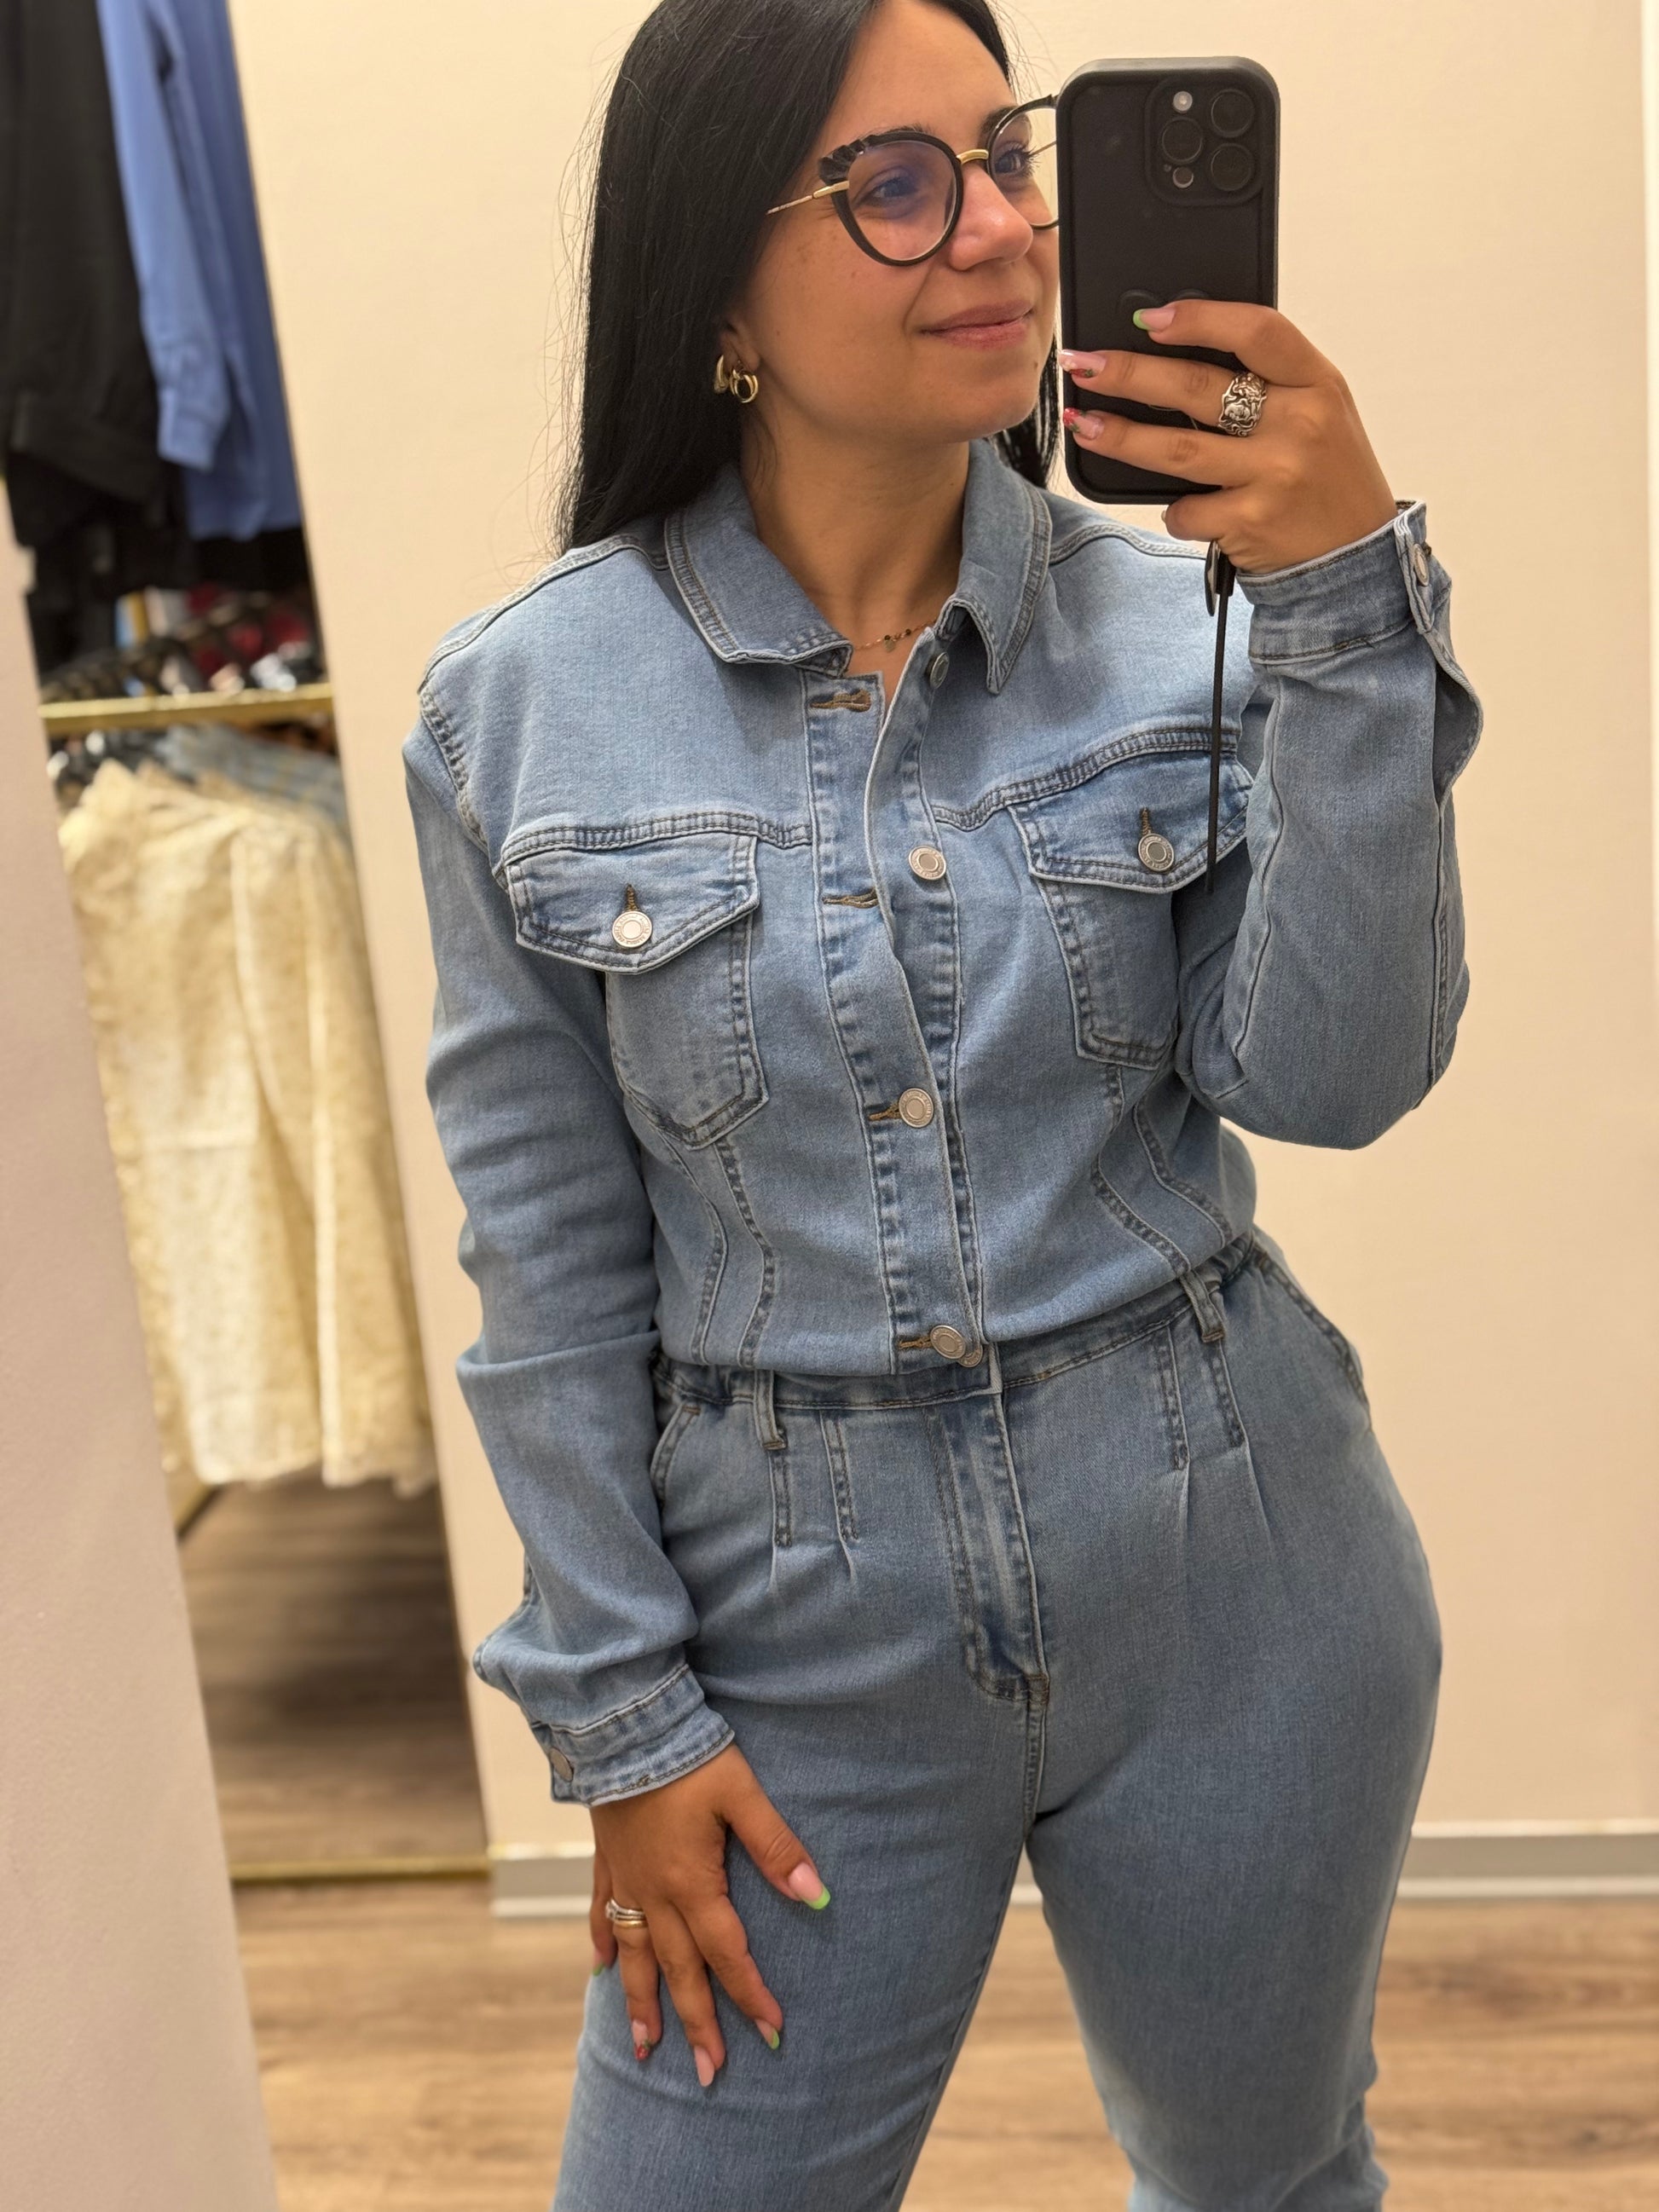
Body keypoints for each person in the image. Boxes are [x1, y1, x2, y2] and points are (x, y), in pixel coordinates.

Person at [402, 1, 1483, 2204]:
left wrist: (1341, 619)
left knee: (1264, 2178)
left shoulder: (1196, 619)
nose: (999, 227)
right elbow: (549, 1261)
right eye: (896, 185)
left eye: (1007, 155)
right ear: (717, 289)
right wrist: (621, 1718)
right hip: (789, 1621)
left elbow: (1336, 1077)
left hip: (1238, 1568)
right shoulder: (519, 708)